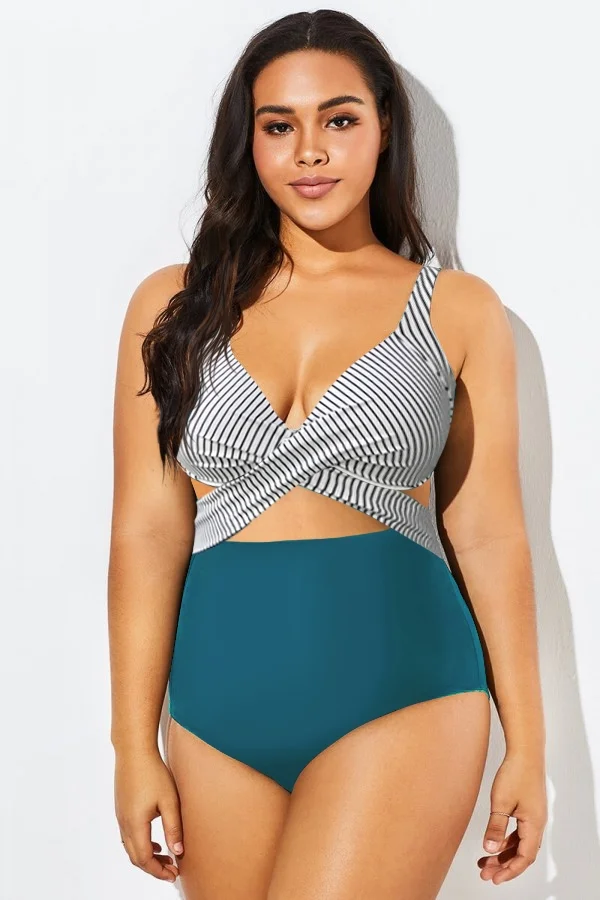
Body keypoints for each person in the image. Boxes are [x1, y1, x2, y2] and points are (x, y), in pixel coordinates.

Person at [108, 9, 547, 898]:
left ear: (384, 129)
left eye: (339, 120)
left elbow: (490, 534)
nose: (310, 151)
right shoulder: (173, 306)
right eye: (279, 126)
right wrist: (131, 744)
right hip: (216, 714)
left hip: (402, 695)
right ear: (249, 144)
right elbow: (147, 534)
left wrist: (530, 747)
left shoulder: (457, 309)